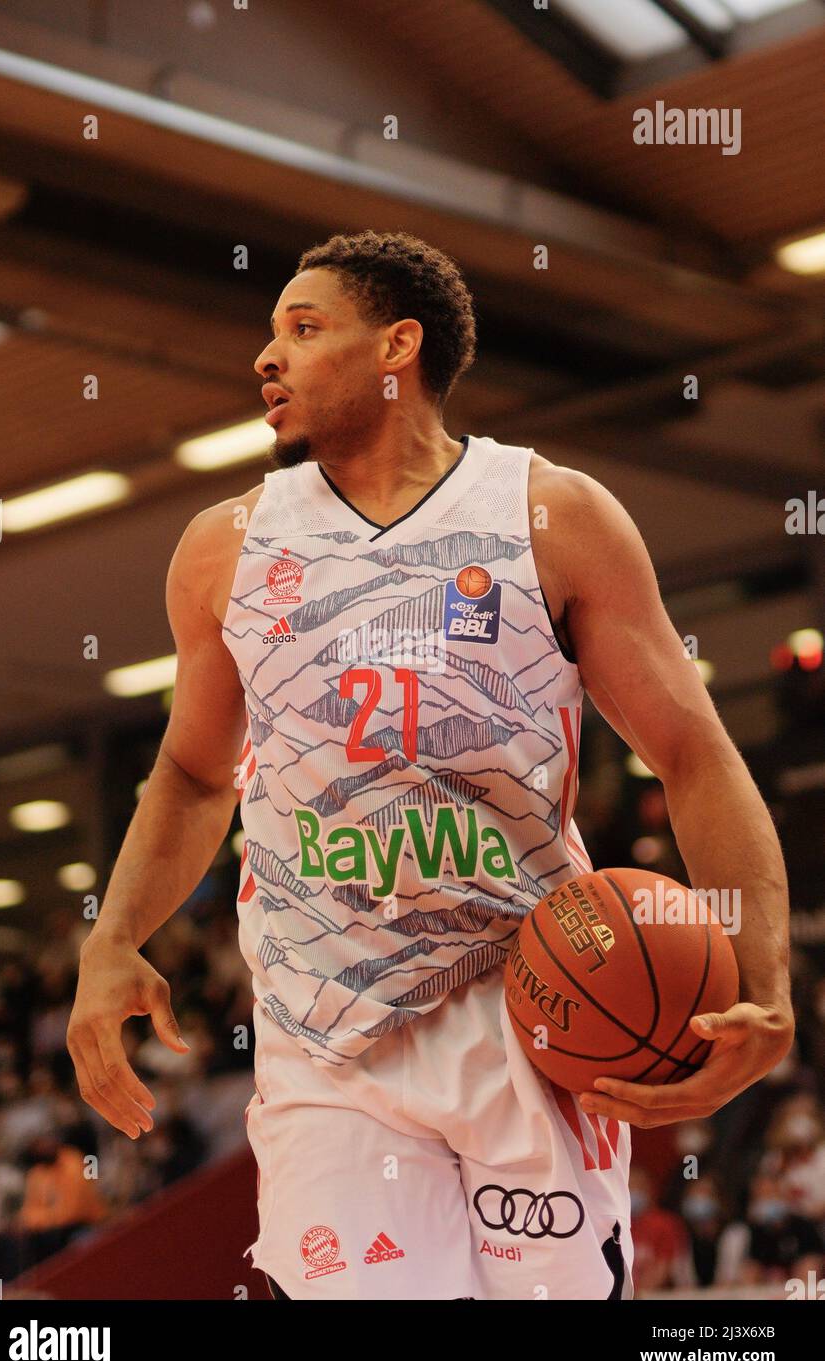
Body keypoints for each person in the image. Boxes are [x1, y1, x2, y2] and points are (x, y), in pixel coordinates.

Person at [68, 230, 794, 1300]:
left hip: (537, 1002)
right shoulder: (223, 549)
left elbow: (690, 751)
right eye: (268, 333)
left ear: (395, 348)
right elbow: (189, 773)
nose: (266, 357)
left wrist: (765, 980)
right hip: (324, 1028)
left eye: (303, 330)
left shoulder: (550, 515)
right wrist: (113, 936)